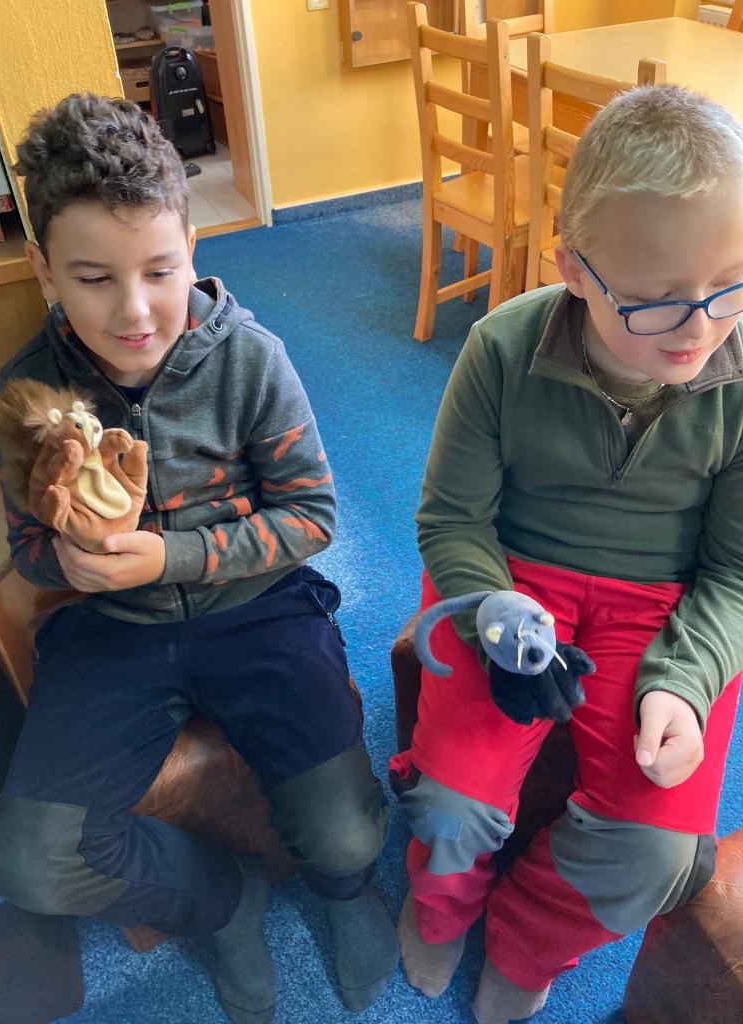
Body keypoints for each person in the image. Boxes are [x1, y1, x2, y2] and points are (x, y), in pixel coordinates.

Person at [0, 93, 398, 1024]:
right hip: (113, 629)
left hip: (260, 607)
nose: (134, 311)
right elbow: (28, 548)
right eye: (93, 278)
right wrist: (68, 564)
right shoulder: (27, 393)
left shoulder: (251, 360)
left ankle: (347, 897)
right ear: (43, 269)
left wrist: (169, 557)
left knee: (345, 837)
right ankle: (223, 899)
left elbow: (313, 516)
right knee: (29, 861)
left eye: (159, 271)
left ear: (192, 248)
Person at [390, 83, 743, 1024]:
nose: (701, 328)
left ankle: (526, 936)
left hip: (663, 605)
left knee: (655, 850)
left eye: (730, 285)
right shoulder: (501, 347)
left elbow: (736, 574)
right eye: (656, 301)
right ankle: (441, 908)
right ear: (575, 270)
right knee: (450, 801)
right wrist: (489, 606)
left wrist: (686, 683)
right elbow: (452, 519)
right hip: (511, 581)